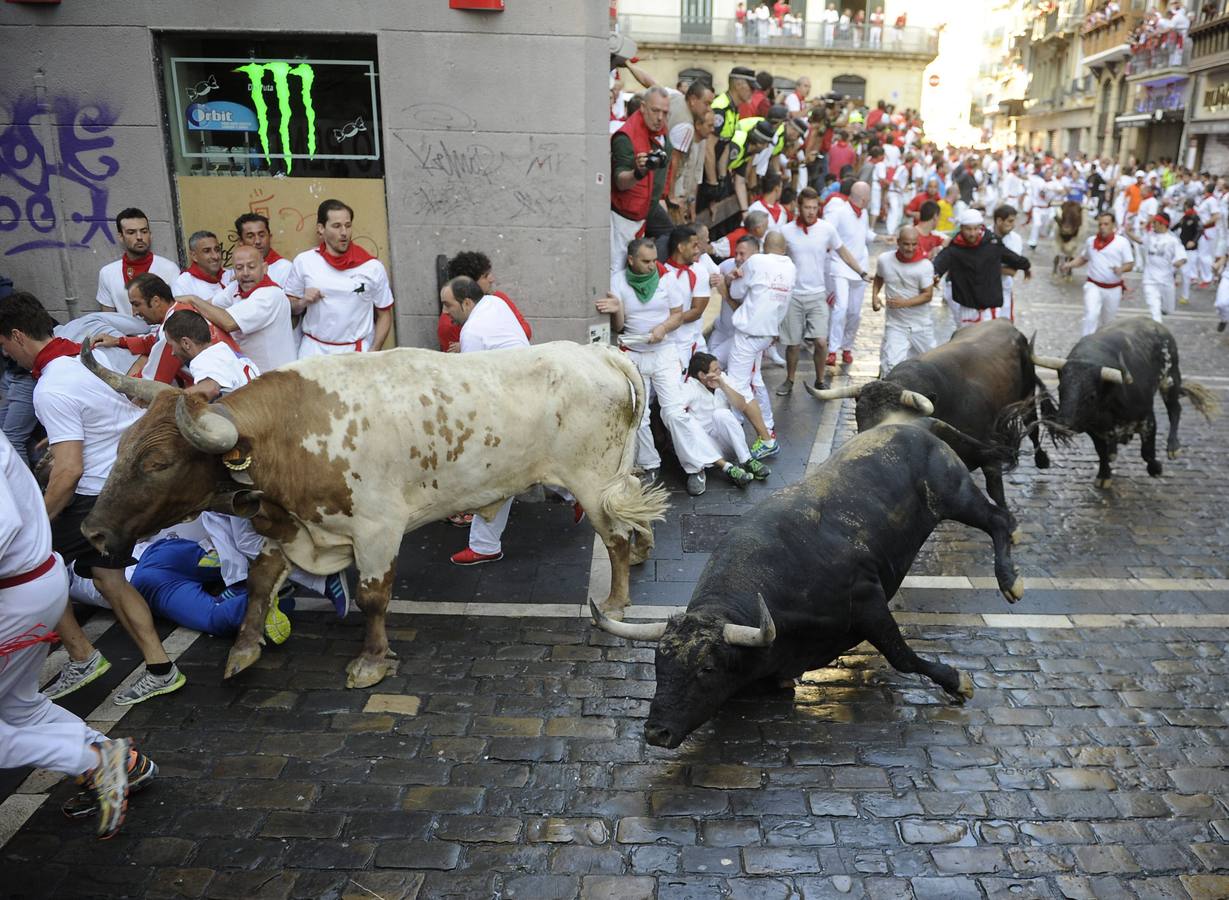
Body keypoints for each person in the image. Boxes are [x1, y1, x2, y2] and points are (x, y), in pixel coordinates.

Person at [0, 292, 185, 705]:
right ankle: (160, 668)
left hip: (94, 494)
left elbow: (68, 471)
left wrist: (37, 520)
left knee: (30, 562)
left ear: (16, 336)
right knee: (109, 578)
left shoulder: (49, 387)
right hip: (122, 485)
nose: (5, 353)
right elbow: (101, 416)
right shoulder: (75, 361)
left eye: (3, 344)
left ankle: (83, 656)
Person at [0, 434, 154, 839]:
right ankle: (121, 762)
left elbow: (3, 526)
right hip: (32, 585)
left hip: (16, 594)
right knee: (20, 708)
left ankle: (90, 761)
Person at [596, 238, 723, 495]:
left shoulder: (666, 278)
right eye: (645, 261)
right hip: (633, 354)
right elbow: (619, 327)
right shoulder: (618, 281)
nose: (652, 266)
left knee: (674, 412)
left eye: (654, 260)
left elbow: (678, 315)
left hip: (664, 352)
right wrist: (618, 309)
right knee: (639, 416)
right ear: (631, 260)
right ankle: (649, 464)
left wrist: (663, 328)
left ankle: (694, 467)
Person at [778, 186, 866, 394]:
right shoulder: (786, 231)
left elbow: (843, 252)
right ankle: (789, 380)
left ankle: (819, 380)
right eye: (807, 207)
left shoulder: (827, 229)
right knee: (793, 344)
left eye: (815, 207)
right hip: (794, 295)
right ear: (799, 207)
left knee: (820, 341)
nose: (811, 212)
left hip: (818, 293)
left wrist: (861, 272)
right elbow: (776, 258)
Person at [284, 199, 394, 357]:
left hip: (356, 353)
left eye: (348, 226)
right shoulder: (304, 261)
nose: (344, 232)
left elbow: (385, 314)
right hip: (313, 351)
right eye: (336, 226)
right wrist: (303, 302)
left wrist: (374, 351)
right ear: (321, 229)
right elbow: (289, 307)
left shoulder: (372, 267)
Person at [90, 273, 239, 386]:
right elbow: (154, 340)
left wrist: (109, 384)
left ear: (155, 301)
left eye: (136, 304)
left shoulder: (173, 327)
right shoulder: (183, 309)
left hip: (226, 395)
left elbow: (151, 383)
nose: (134, 312)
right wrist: (118, 341)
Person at [725, 231, 796, 441]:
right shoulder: (790, 267)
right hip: (768, 331)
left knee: (737, 385)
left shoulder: (756, 261)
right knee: (754, 380)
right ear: (784, 249)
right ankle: (767, 425)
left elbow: (736, 293)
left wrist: (731, 279)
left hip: (749, 332)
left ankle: (759, 435)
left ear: (764, 247)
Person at [184, 245, 297, 373]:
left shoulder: (270, 295)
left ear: (264, 268)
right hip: (253, 376)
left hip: (277, 378)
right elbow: (210, 305)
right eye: (239, 268)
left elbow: (228, 322)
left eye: (251, 267)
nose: (245, 273)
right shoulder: (236, 288)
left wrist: (193, 299)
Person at [933, 209, 1032, 330]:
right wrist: (934, 275)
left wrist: (1026, 266)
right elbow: (939, 264)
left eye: (975, 229)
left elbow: (1012, 257)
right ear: (961, 228)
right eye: (968, 229)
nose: (972, 233)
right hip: (967, 308)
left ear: (981, 227)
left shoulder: (992, 243)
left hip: (991, 308)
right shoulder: (954, 249)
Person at [684, 352, 773, 484]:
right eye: (715, 370)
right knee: (688, 423)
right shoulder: (689, 387)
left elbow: (742, 405)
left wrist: (723, 386)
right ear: (702, 375)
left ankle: (747, 461)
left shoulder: (723, 378)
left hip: (730, 445)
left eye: (719, 368)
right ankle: (729, 469)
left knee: (721, 414)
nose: (719, 372)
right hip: (707, 450)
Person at [610, 86, 673, 275]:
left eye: (665, 112)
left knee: (671, 234)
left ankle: (649, 277)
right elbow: (621, 182)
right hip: (625, 214)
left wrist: (663, 197)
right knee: (619, 267)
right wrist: (638, 172)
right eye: (655, 111)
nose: (660, 117)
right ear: (643, 107)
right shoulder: (626, 136)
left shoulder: (660, 131)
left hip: (647, 207)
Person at [824, 181, 876, 365]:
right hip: (840, 266)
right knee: (841, 308)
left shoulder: (864, 214)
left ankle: (847, 347)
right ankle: (832, 350)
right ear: (863, 198)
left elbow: (864, 234)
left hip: (860, 266)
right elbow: (827, 234)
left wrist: (880, 237)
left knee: (855, 312)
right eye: (868, 196)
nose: (870, 199)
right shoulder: (838, 213)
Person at [1059, 212, 1135, 335]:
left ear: (1113, 225)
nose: (1102, 227)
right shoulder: (1091, 241)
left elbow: (1130, 264)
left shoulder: (1122, 242)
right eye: (1100, 224)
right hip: (1093, 285)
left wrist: (1121, 269)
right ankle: (1086, 344)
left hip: (1113, 289)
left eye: (1106, 224)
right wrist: (1069, 265)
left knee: (1108, 322)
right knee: (1091, 314)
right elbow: (1084, 258)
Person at [872, 225, 936, 373]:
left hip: (921, 325)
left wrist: (904, 303)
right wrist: (875, 296)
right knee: (890, 365)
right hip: (896, 325)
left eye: (914, 244)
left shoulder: (925, 265)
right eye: (906, 244)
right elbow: (879, 277)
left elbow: (928, 295)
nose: (910, 248)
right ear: (898, 242)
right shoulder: (884, 260)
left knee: (930, 365)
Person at [95, 208, 180, 317]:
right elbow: (108, 318)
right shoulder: (107, 273)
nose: (139, 237)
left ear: (150, 234)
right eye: (131, 232)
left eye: (144, 231)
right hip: (122, 333)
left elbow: (177, 310)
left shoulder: (169, 268)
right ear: (121, 236)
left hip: (160, 332)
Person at [163, 309, 259, 401]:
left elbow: (210, 388)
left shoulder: (203, 359)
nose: (172, 352)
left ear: (186, 343)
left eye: (171, 345)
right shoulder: (226, 352)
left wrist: (170, 401)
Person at [662, 225, 712, 371]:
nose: (697, 250)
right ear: (681, 247)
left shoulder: (700, 271)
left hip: (689, 343)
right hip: (664, 344)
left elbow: (697, 311)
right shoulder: (662, 271)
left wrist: (665, 325)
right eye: (694, 245)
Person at [1127, 213, 1186, 322]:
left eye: (1155, 222)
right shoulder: (1150, 236)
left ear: (1162, 223)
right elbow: (1140, 241)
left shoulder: (1173, 240)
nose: (1152, 224)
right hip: (1149, 280)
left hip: (1166, 280)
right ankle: (1158, 329)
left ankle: (1165, 310)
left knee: (1168, 310)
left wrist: (1179, 262)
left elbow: (1182, 257)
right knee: (1154, 309)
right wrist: (1128, 232)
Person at [231, 213, 294, 286]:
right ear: (241, 242)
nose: (257, 241)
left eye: (262, 235)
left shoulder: (285, 269)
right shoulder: (236, 271)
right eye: (250, 236)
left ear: (270, 237)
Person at [993, 205, 1028, 322]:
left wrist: (987, 265)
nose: (1013, 225)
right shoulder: (984, 234)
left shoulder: (1016, 239)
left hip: (1004, 289)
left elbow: (1012, 271)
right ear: (999, 221)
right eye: (1010, 221)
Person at [172, 230, 228, 298]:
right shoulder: (184, 283)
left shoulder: (229, 275)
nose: (215, 256)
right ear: (194, 256)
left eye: (217, 250)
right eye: (207, 251)